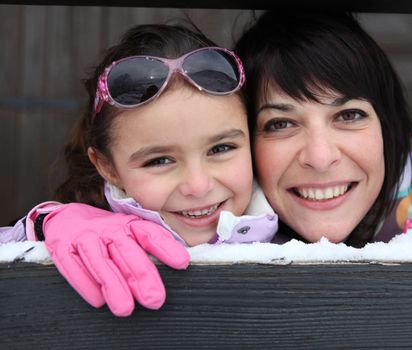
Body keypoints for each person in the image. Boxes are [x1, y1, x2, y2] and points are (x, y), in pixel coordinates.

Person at [0, 23, 277, 316]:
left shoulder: (291, 221)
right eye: (159, 161)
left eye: (221, 148)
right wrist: (43, 226)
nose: (198, 185)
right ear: (107, 167)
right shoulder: (83, 238)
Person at [233, 10, 412, 250]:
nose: (320, 158)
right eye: (281, 124)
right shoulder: (205, 211)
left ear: (388, 126)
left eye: (349, 115)